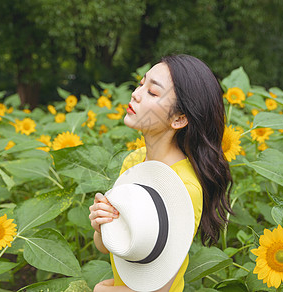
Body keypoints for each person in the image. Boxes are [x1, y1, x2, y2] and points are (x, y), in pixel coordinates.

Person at [89, 54, 233, 292]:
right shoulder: (134, 160)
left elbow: (159, 287)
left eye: (153, 93)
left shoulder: (184, 187)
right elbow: (108, 246)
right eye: (141, 83)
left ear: (179, 118)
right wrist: (100, 225)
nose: (136, 93)